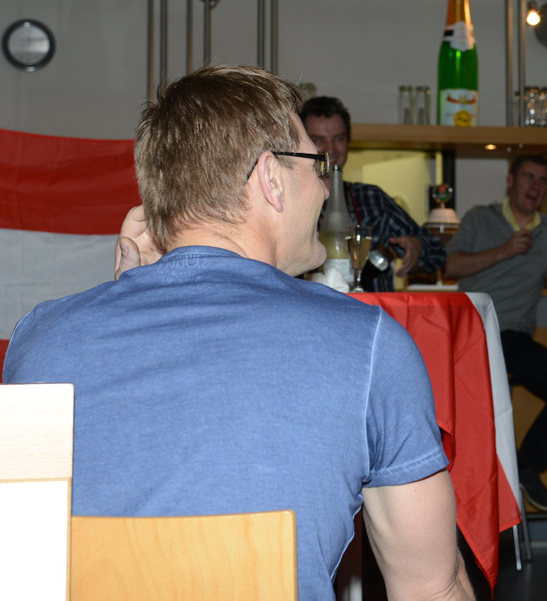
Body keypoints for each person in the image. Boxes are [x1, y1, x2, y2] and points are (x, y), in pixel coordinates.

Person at [3, 65, 474, 601]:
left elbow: (25, 561)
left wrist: (126, 296)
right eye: (316, 165)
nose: (325, 188)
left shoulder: (39, 340)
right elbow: (431, 589)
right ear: (271, 178)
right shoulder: (368, 344)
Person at [444, 154, 547, 513]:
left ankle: (525, 467)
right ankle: (502, 478)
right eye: (528, 177)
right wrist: (503, 251)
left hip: (513, 337)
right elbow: (449, 265)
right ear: (510, 181)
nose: (535, 186)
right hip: (472, 333)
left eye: (542, 180)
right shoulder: (480, 218)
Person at [300, 95, 445, 291]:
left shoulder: (372, 198)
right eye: (319, 140)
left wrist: (417, 245)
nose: (331, 149)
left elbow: (438, 253)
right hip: (314, 308)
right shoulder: (289, 202)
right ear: (302, 144)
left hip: (373, 308)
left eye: (339, 139)